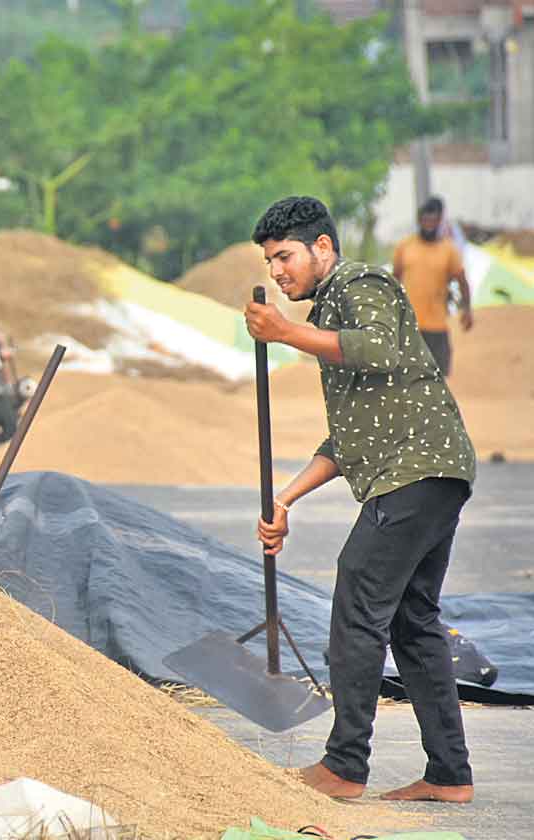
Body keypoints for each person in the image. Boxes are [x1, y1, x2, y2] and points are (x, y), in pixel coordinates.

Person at [245, 196, 476, 804]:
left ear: (323, 247)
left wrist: (286, 332)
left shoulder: (358, 281)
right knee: (411, 620)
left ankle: (344, 766)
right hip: (432, 471)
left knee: (357, 601)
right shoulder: (329, 314)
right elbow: (348, 439)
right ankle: (450, 775)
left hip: (415, 471)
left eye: (286, 256)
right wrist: (285, 500)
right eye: (270, 262)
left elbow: (378, 347)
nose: (278, 271)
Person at [392, 196, 472, 376]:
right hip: (409, 326)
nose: (429, 224)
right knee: (407, 378)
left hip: (437, 327)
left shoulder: (449, 250)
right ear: (419, 220)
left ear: (439, 221)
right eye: (425, 220)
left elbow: (462, 280)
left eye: (433, 220)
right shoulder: (405, 247)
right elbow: (394, 280)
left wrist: (466, 309)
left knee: (438, 379)